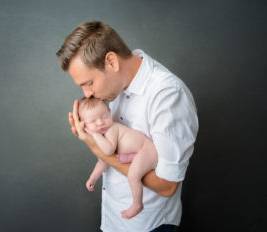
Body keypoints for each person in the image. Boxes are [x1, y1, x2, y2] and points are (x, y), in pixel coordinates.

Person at [56, 21, 199, 232]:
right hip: (113, 221)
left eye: (89, 83)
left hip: (149, 227)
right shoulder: (114, 86)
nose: (87, 94)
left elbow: (167, 186)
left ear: (111, 62)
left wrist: (97, 148)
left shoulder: (168, 95)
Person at [78, 97, 158, 219]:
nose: (100, 122)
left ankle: (137, 204)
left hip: (148, 150)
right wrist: (93, 177)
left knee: (133, 175)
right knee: (121, 159)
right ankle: (131, 157)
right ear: (84, 125)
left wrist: (94, 134)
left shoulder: (112, 129)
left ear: (110, 113)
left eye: (104, 116)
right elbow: (103, 160)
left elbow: (108, 151)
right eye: (93, 121)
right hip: (140, 152)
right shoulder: (103, 136)